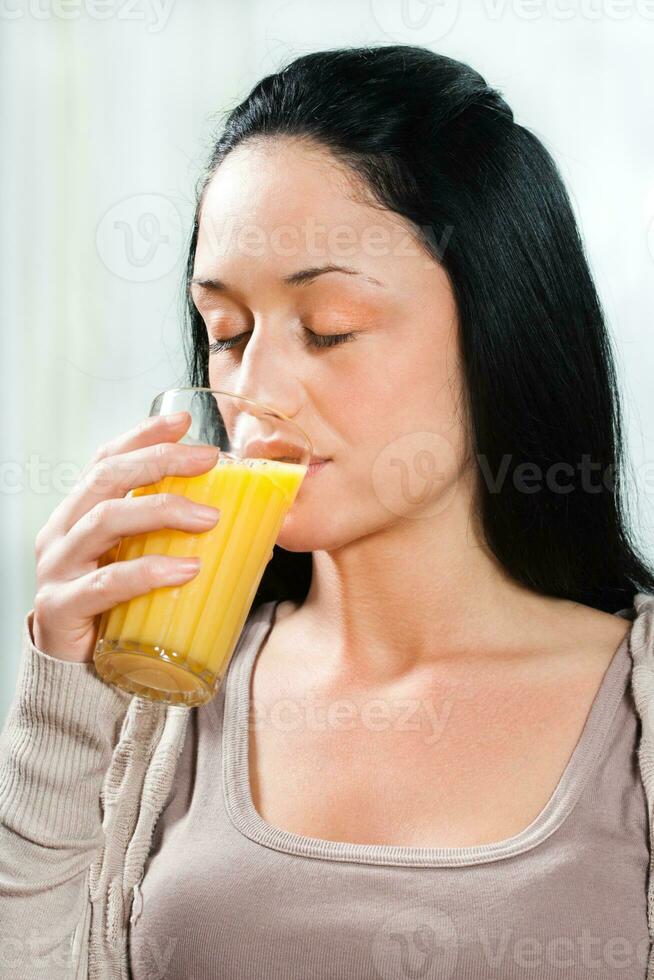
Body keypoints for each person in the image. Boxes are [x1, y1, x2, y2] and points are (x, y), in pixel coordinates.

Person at [2, 44, 654, 979]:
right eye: (226, 333)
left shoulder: (638, 707)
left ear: (501, 324)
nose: (254, 388)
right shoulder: (163, 692)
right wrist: (63, 694)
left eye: (329, 327)